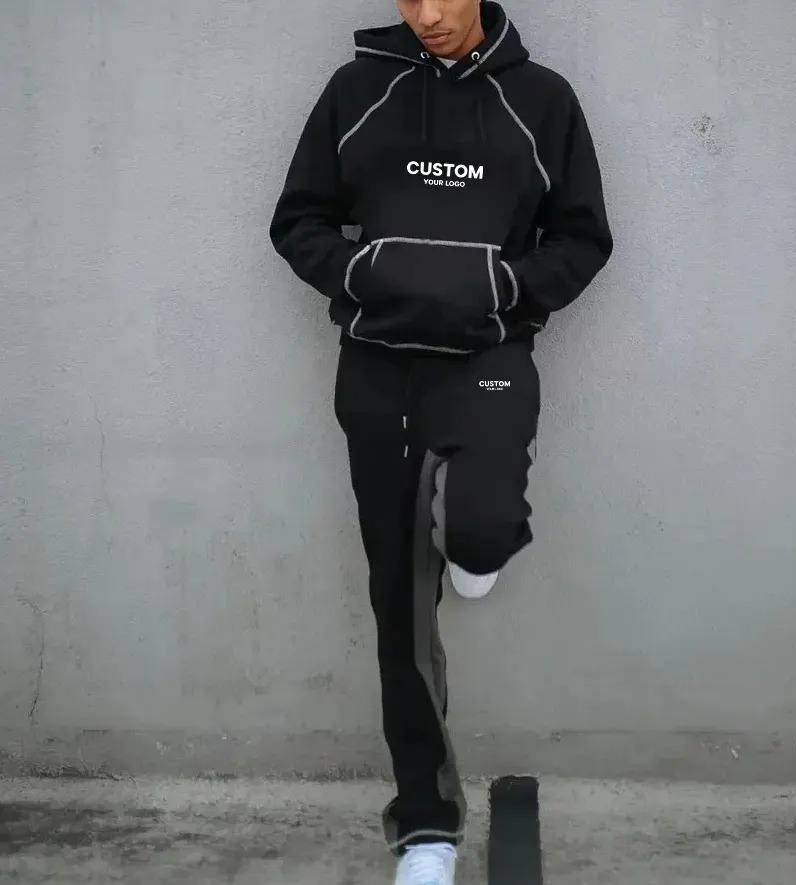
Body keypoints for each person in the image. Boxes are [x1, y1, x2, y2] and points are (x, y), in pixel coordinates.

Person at [269, 0, 612, 881]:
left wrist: (502, 288)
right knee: (399, 602)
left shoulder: (541, 99)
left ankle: (474, 544)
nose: (425, 15)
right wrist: (360, 272)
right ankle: (426, 828)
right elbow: (298, 219)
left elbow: (582, 237)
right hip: (378, 368)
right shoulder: (357, 90)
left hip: (486, 356)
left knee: (483, 528)